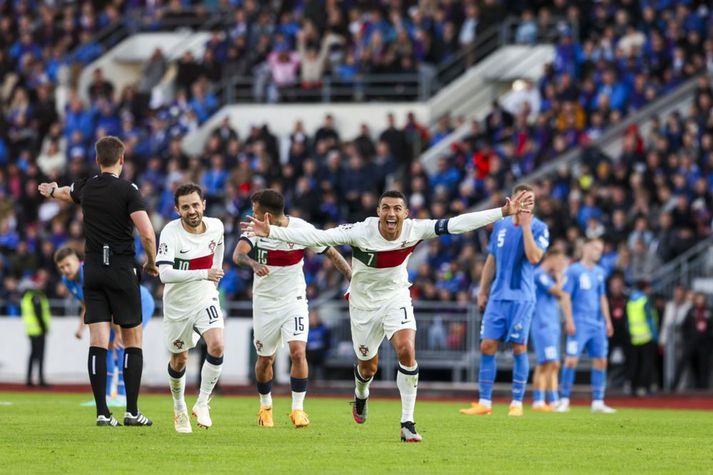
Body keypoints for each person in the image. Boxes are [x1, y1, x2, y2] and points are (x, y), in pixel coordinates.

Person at [242, 189, 532, 442]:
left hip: (396, 297)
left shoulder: (415, 229)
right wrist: (273, 232)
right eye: (386, 208)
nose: (391, 214)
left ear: (406, 213)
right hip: (363, 306)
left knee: (407, 350)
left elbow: (457, 224)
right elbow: (318, 236)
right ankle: (361, 393)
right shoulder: (359, 231)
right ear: (378, 212)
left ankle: (407, 422)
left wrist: (501, 213)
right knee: (368, 367)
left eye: (397, 209)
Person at [38, 136, 158, 427]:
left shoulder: (87, 186)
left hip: (91, 269)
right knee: (132, 341)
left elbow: (68, 193)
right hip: (119, 268)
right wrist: (151, 262)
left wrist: (52, 190)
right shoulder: (128, 190)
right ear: (122, 160)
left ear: (96, 160)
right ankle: (131, 412)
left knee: (98, 342)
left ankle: (103, 413)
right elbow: (146, 233)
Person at [233, 189, 351, 428]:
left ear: (267, 214)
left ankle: (298, 409)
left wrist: (352, 278)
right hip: (265, 302)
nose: (252, 214)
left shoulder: (300, 229)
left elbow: (330, 251)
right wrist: (253, 263)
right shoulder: (254, 229)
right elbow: (238, 255)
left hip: (294, 300)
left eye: (255, 210)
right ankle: (265, 407)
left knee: (298, 352)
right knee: (266, 359)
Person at [460, 184, 546, 417]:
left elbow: (534, 257)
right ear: (514, 200)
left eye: (531, 201)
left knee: (519, 347)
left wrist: (526, 228)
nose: (527, 204)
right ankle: (484, 402)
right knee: (487, 345)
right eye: (523, 199)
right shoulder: (501, 225)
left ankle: (516, 403)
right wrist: (482, 290)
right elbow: (491, 259)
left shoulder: (539, 228)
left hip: (521, 298)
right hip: (498, 296)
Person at [156, 183, 226, 433]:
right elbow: (163, 274)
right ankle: (179, 407)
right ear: (177, 210)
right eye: (185, 207)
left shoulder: (217, 226)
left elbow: (219, 247)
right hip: (177, 305)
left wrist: (213, 279)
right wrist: (203, 273)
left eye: (196, 204)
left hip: (205, 296)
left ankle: (202, 402)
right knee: (180, 359)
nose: (192, 210)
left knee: (217, 344)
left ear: (204, 204)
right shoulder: (170, 232)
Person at [54, 246, 155, 407]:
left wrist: (118, 332)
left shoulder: (88, 273)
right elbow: (87, 305)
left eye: (67, 265)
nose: (65, 270)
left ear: (77, 261)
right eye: (61, 267)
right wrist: (81, 328)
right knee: (106, 346)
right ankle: (106, 396)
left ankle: (122, 395)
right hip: (115, 306)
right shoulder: (68, 281)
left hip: (138, 301)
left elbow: (113, 301)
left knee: (123, 344)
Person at [556, 238, 616, 413]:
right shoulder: (574, 270)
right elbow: (565, 296)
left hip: (597, 323)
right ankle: (564, 399)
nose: (599, 252)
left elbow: (602, 297)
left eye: (601, 249)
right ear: (586, 248)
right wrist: (569, 320)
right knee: (571, 360)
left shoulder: (599, 271)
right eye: (596, 248)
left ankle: (598, 401)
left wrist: (608, 321)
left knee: (601, 360)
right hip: (579, 322)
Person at [530, 249, 574, 411]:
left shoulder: (546, 276)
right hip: (542, 324)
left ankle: (542, 400)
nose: (561, 264)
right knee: (549, 363)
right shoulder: (539, 274)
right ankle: (546, 400)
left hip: (551, 324)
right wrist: (561, 275)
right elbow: (559, 292)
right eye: (559, 260)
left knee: (551, 363)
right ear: (551, 258)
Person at [673, 292, 712, 390]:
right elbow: (684, 326)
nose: (700, 301)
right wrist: (687, 339)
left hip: (704, 344)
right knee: (683, 362)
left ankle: (703, 388)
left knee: (704, 366)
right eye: (698, 299)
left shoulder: (709, 311)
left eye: (701, 299)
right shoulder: (691, 311)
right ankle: (673, 386)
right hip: (691, 342)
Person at [626, 281, 658, 396]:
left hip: (634, 336)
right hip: (646, 335)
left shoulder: (630, 301)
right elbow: (650, 319)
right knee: (647, 363)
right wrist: (655, 335)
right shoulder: (644, 300)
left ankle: (632, 386)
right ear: (645, 288)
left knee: (635, 363)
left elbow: (628, 319)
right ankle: (644, 387)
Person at [21, 280, 51, 387]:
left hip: (31, 330)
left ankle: (29, 378)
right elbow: (38, 313)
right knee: (40, 355)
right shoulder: (36, 296)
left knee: (32, 355)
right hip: (38, 330)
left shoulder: (27, 297)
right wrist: (44, 328)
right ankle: (40, 378)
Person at [306, 310, 332, 382]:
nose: (313, 319)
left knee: (319, 358)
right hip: (309, 352)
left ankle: (323, 381)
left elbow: (328, 342)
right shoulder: (306, 329)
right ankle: (309, 380)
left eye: (315, 317)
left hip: (320, 352)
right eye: (311, 318)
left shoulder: (323, 328)